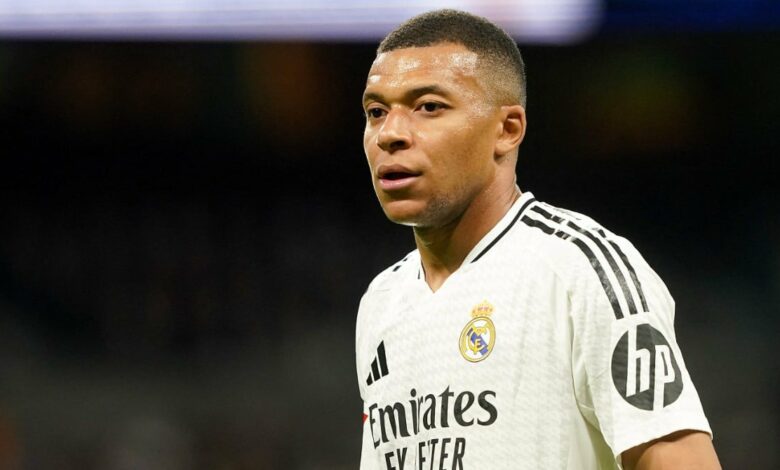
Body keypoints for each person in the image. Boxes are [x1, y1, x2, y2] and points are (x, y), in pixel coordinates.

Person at [355, 8, 720, 470]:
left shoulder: (581, 269)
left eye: (428, 107)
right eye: (376, 112)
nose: (389, 134)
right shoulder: (381, 302)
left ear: (507, 130)